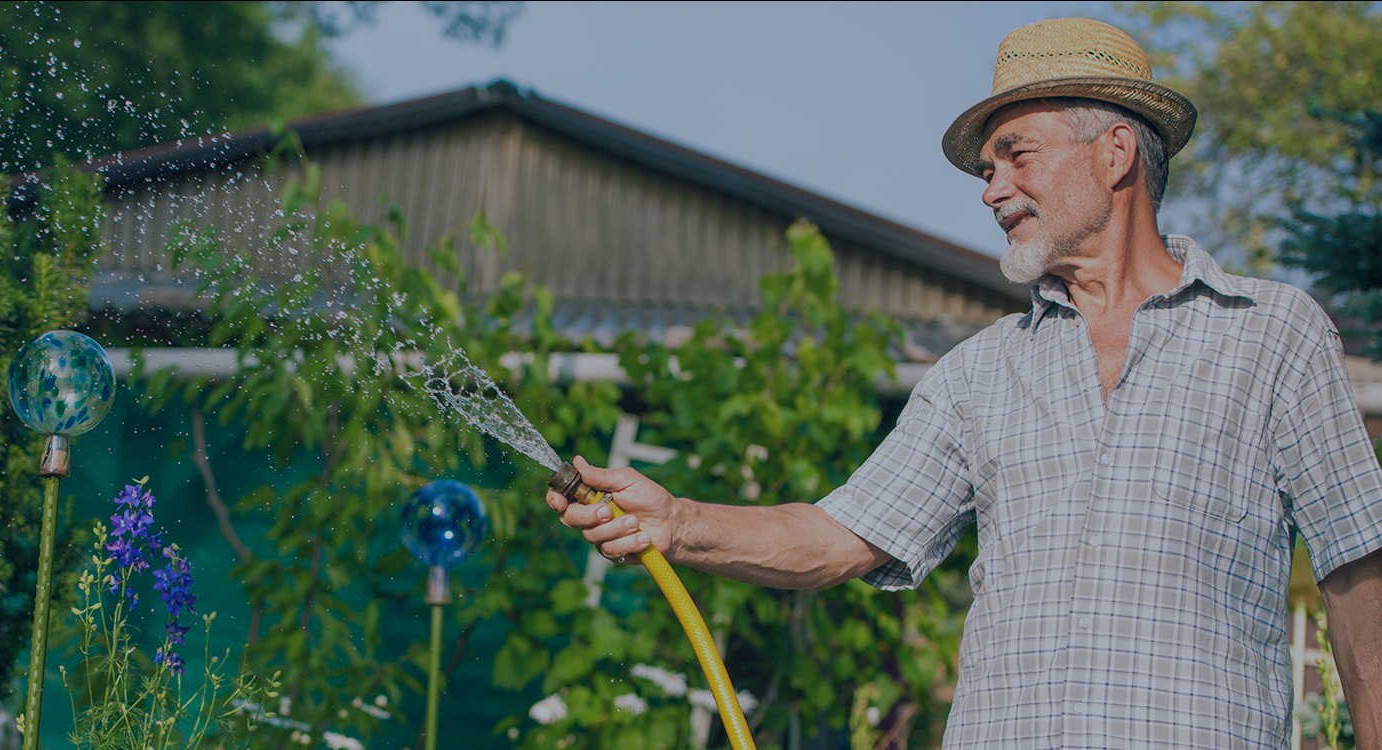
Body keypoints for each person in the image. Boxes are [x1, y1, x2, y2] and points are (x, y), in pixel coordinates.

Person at [546, 17, 1382, 749]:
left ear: (1115, 152)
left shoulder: (1272, 334)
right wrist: (681, 522)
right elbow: (841, 536)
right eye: (986, 170)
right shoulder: (981, 373)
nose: (992, 190)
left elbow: (1357, 569)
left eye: (1017, 156)